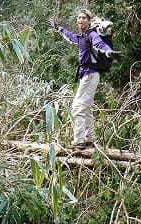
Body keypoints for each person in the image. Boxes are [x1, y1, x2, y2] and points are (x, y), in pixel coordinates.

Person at [49, 8, 122, 149]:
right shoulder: (81, 36)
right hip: (86, 75)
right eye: (79, 18)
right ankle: (90, 139)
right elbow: (70, 37)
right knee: (86, 108)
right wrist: (58, 27)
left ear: (89, 21)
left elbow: (99, 44)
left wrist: (109, 52)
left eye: (84, 18)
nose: (80, 20)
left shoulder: (91, 34)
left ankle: (79, 140)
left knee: (77, 107)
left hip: (90, 74)